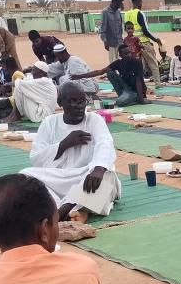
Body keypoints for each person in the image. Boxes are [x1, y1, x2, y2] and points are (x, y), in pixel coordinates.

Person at [20, 81, 121, 223]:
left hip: (86, 176)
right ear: (60, 102)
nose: (79, 106)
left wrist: (98, 168)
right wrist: (64, 144)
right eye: (72, 101)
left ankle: (64, 210)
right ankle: (75, 210)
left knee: (107, 176)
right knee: (25, 176)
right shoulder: (50, 122)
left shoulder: (94, 120)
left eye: (82, 101)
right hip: (58, 178)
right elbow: (37, 158)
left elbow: (105, 144)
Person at [71, 43, 148, 107]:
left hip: (135, 92)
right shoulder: (118, 63)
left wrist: (142, 99)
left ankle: (136, 99)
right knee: (110, 73)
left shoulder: (137, 63)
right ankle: (123, 96)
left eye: (129, 53)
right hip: (125, 88)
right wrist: (79, 76)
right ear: (120, 55)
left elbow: (139, 81)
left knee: (119, 103)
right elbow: (100, 72)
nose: (129, 55)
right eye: (126, 54)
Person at [123, 0, 164, 89]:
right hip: (143, 42)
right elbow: (145, 31)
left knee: (138, 66)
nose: (141, 4)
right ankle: (158, 84)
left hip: (132, 44)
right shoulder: (139, 13)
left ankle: (139, 84)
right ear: (138, 1)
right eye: (141, 2)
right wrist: (156, 39)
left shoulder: (126, 14)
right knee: (153, 63)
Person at [99, 0, 124, 64]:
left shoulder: (118, 12)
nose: (121, 4)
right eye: (120, 2)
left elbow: (120, 28)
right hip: (111, 44)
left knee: (121, 63)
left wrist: (121, 41)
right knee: (113, 64)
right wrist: (105, 42)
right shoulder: (105, 12)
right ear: (115, 2)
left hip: (119, 43)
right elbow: (103, 29)